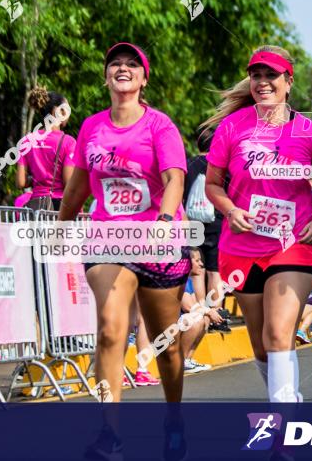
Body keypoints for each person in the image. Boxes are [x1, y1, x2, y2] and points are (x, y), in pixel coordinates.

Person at [58, 42, 189, 459]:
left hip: (157, 241)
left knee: (167, 350)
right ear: (106, 76)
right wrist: (60, 227)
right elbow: (78, 186)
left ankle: (173, 418)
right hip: (107, 238)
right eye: (115, 63)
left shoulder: (160, 126)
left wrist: (164, 224)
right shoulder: (91, 127)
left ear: (144, 78)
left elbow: (173, 180)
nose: (122, 68)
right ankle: (108, 432)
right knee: (111, 329)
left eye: (132, 64)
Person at [201, 45, 312, 403]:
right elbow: (212, 184)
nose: (262, 82)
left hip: (293, 245)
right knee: (262, 345)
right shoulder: (232, 128)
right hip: (241, 248)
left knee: (277, 334)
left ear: (288, 82)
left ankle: (283, 427)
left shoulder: (309, 131)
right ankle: (286, 397)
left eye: (271, 75)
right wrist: (230, 210)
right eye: (256, 75)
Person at [183, 129, 231, 333]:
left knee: (197, 269)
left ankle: (202, 308)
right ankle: (217, 314)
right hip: (215, 225)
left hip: (191, 224)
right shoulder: (220, 167)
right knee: (214, 271)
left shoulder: (187, 164)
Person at [16, 86, 75, 211]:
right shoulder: (68, 142)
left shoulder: (27, 140)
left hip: (35, 208)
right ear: (55, 111)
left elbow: (20, 182)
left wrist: (35, 180)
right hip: (59, 208)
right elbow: (68, 183)